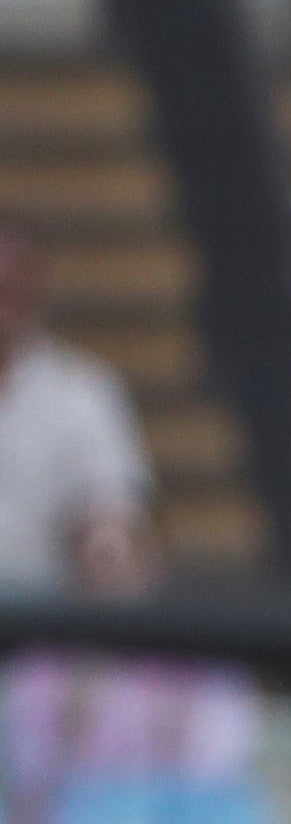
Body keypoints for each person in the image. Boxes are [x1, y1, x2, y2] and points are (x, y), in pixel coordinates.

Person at [0, 228, 151, 598]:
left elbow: (109, 508)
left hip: (40, 632)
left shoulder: (84, 392)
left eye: (11, 285)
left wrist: (107, 548)